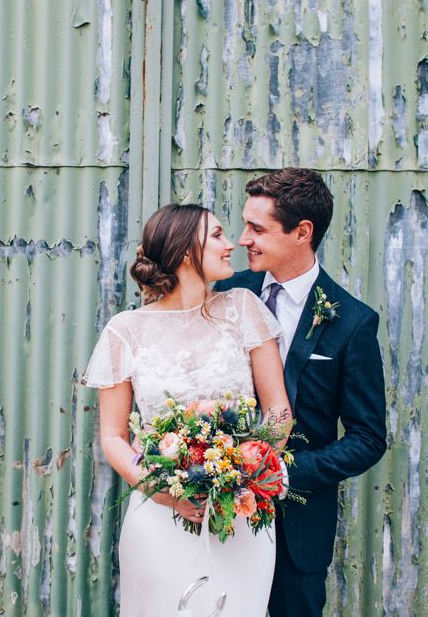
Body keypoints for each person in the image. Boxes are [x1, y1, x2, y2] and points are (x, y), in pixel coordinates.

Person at [83, 203, 291, 616]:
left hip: (239, 515)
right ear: (182, 252)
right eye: (217, 235)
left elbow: (279, 411)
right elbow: (112, 436)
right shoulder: (125, 331)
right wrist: (162, 491)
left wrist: (244, 471)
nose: (231, 244)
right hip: (159, 515)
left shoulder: (244, 309)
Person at [215, 168, 387, 617]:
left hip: (299, 528)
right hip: (216, 516)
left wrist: (286, 474)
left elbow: (368, 438)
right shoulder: (227, 294)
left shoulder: (352, 322)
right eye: (244, 224)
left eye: (257, 228)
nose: (242, 239)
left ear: (302, 232)